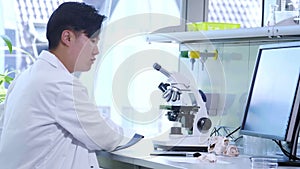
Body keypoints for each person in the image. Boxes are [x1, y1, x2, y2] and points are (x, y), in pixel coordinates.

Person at [0, 2, 124, 169]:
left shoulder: (24, 78)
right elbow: (106, 136)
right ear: (67, 38)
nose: (96, 51)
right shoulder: (59, 84)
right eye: (93, 41)